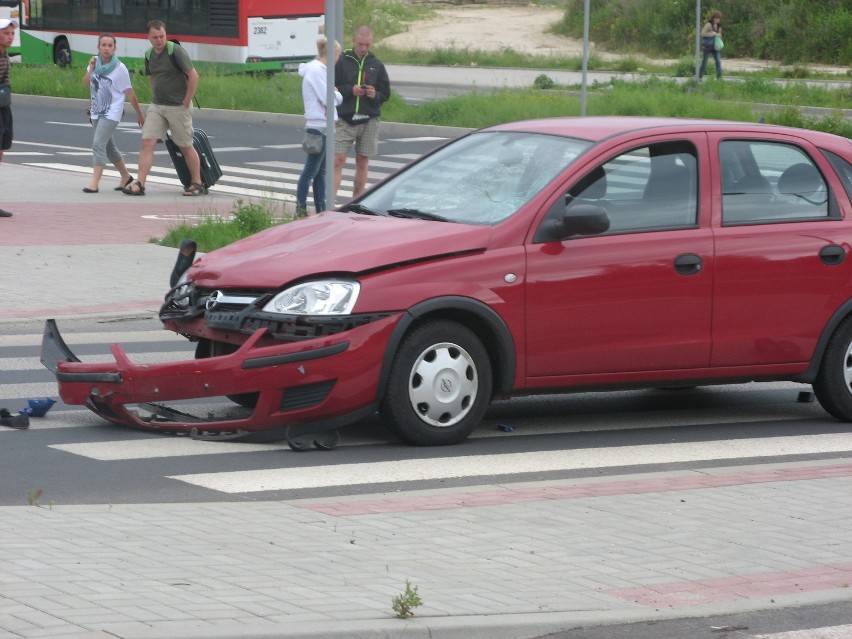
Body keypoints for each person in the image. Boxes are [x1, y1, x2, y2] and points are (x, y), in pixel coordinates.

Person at [125, 20, 203, 196]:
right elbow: (152, 76)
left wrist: (186, 102)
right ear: (149, 38)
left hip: (178, 106)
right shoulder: (149, 54)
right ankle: (140, 183)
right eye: (155, 37)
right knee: (147, 141)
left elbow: (193, 76)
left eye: (162, 36)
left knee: (184, 145)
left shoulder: (175, 51)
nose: (159, 40)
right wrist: (155, 94)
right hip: (158, 105)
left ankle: (197, 183)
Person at [333, 25, 390, 202]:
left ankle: (356, 200)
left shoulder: (376, 64)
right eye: (360, 44)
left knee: (362, 161)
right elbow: (331, 87)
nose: (364, 48)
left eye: (367, 45)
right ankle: (329, 202)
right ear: (353, 41)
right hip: (346, 118)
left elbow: (385, 93)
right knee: (338, 160)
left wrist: (375, 95)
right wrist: (351, 90)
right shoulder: (342, 61)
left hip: (369, 119)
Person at [82, 33, 145, 193]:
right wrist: (90, 69)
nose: (106, 48)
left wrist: (139, 114)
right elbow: (86, 84)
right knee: (109, 147)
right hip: (96, 111)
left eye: (110, 45)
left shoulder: (120, 68)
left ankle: (94, 183)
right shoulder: (94, 62)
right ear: (98, 47)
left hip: (112, 112)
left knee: (98, 144)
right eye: (103, 45)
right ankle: (126, 176)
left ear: (114, 48)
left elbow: (130, 93)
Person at [296, 36, 343, 216]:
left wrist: (334, 95)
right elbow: (327, 98)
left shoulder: (320, 70)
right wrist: (336, 95)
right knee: (310, 171)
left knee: (320, 172)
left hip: (324, 125)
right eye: (338, 55)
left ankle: (320, 209)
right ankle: (301, 209)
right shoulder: (316, 70)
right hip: (319, 126)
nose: (338, 59)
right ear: (333, 53)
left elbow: (330, 96)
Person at [0, 17, 17, 217]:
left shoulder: (5, 55)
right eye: (6, 33)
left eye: (12, 33)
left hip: (4, 107)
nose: (10, 37)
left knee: (1, 151)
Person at [699, 10, 723, 80]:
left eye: (718, 18)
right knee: (705, 62)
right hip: (707, 46)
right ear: (713, 18)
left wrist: (718, 35)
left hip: (715, 47)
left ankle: (719, 77)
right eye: (716, 18)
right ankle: (700, 76)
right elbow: (702, 33)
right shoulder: (709, 24)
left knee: (718, 61)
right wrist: (711, 34)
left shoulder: (719, 26)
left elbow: (720, 35)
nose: (717, 20)